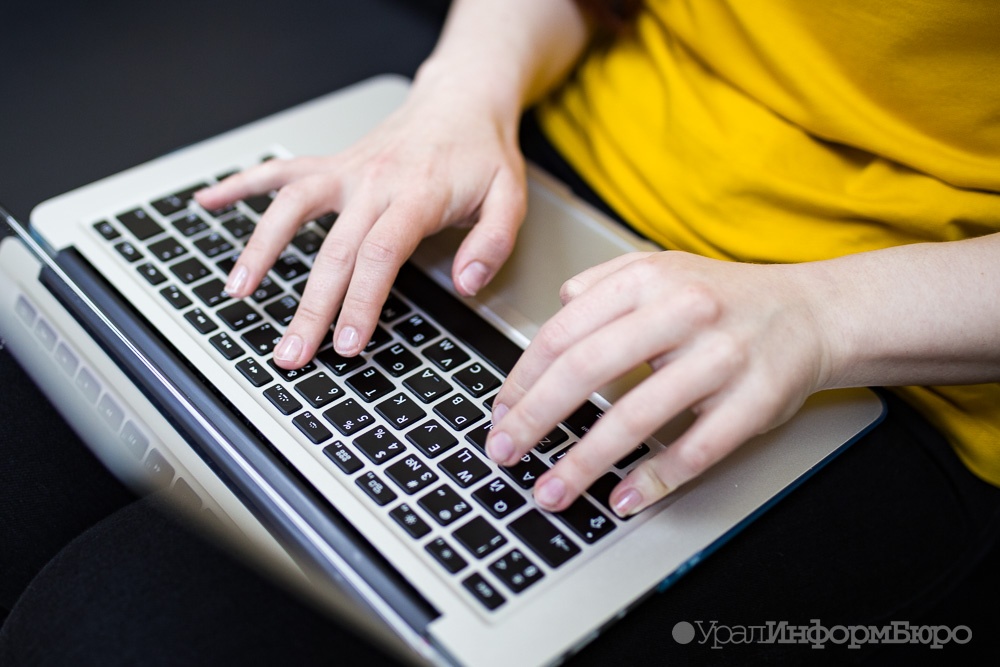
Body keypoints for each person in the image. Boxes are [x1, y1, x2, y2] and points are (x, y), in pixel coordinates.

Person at [3, 0, 999, 664]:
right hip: (543, 147)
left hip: (887, 345)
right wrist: (460, 95)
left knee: (114, 631)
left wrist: (822, 318)